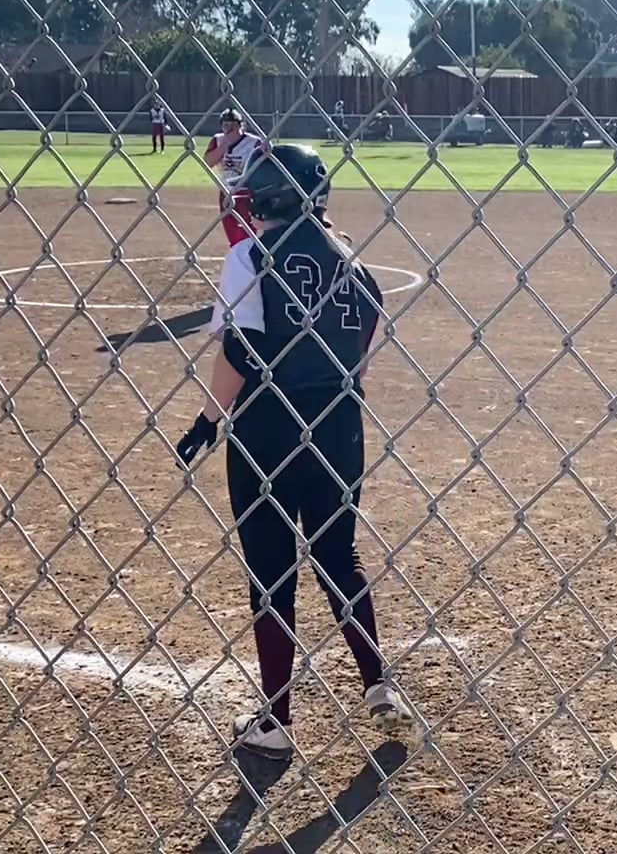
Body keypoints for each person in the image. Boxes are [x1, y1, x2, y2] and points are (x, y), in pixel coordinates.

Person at [175, 142, 413, 758]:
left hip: (269, 427)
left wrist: (207, 421)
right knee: (337, 551)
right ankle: (379, 684)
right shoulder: (354, 263)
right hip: (339, 423)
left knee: (271, 567)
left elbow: (241, 351)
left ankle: (276, 721)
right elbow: (363, 351)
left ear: (267, 200)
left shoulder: (250, 255)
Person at [205, 107, 266, 248]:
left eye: (233, 125)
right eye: (225, 125)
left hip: (247, 193)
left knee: (246, 234)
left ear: (241, 126)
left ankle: (247, 255)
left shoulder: (254, 142)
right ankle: (238, 255)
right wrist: (224, 145)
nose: (229, 129)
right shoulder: (218, 140)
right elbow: (208, 162)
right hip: (226, 192)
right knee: (232, 234)